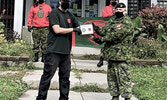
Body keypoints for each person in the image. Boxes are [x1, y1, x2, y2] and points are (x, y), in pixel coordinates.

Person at [36, 0, 81, 100]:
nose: (67, 3)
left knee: (65, 78)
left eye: (68, 1)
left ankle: (64, 98)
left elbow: (79, 27)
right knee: (47, 77)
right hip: (53, 51)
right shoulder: (54, 13)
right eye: (64, 1)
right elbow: (57, 30)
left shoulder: (70, 15)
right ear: (60, 1)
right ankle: (41, 98)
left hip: (65, 52)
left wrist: (92, 33)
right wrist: (73, 29)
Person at [92, 3, 133, 100]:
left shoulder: (127, 22)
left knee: (124, 80)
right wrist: (97, 29)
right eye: (117, 9)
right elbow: (105, 31)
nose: (118, 11)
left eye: (121, 10)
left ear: (125, 11)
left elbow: (117, 36)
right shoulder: (113, 20)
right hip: (111, 56)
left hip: (121, 57)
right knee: (112, 79)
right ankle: (115, 97)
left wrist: (102, 39)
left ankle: (127, 98)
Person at [97, 0, 118, 67]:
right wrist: (112, 14)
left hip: (116, 29)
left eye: (115, 0)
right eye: (112, 0)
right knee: (105, 45)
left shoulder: (119, 8)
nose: (114, 1)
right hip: (108, 29)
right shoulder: (106, 8)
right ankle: (101, 59)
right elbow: (104, 16)